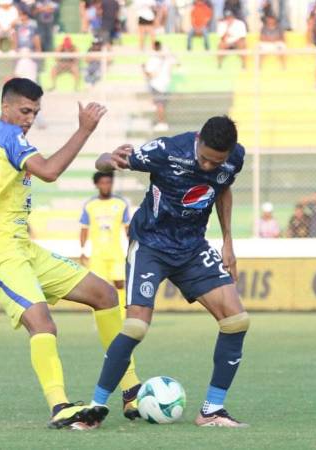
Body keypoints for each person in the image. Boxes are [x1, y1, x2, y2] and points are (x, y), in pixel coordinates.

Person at [0, 78, 141, 429]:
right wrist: (84, 129)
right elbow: (51, 172)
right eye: (25, 110)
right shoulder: (9, 138)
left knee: (103, 294)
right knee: (42, 322)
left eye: (35, 113)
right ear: (5, 107)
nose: (29, 118)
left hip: (23, 247)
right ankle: (59, 406)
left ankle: (130, 388)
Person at [89, 115, 249, 428]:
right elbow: (104, 162)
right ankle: (95, 407)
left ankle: (212, 410)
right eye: (203, 158)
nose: (207, 167)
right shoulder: (166, 150)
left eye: (216, 162)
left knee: (236, 320)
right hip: (151, 244)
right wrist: (109, 159)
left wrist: (228, 241)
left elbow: (223, 189)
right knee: (136, 327)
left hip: (192, 248)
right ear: (198, 138)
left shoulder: (234, 158)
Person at [79, 172, 130, 307]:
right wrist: (83, 250)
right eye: (103, 183)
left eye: (109, 182)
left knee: (120, 284)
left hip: (116, 253)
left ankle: (122, 318)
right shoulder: (90, 205)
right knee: (98, 288)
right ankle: (101, 320)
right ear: (97, 185)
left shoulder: (120, 203)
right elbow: (84, 229)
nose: (106, 186)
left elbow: (127, 228)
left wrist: (132, 247)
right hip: (97, 255)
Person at [143, 40, 176, 132]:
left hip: (157, 84)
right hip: (166, 85)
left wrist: (143, 68)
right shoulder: (167, 58)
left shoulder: (153, 59)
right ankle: (162, 123)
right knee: (161, 105)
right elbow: (176, 62)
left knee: (159, 105)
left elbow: (149, 73)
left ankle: (162, 123)